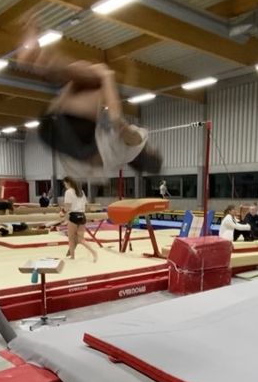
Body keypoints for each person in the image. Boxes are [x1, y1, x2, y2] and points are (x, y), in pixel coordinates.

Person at [16, 26, 162, 179]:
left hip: (78, 136)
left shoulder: (138, 143)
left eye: (153, 149)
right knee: (83, 77)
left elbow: (123, 129)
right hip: (58, 134)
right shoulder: (121, 158)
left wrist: (108, 77)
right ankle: (40, 62)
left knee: (98, 75)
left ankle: (41, 62)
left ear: (150, 152)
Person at [61, 176, 97, 262]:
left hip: (74, 216)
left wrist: (62, 212)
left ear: (68, 183)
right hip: (82, 216)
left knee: (71, 238)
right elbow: (85, 205)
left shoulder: (68, 192)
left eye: (65, 183)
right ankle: (93, 252)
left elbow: (68, 207)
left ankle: (72, 256)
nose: (65, 185)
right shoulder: (81, 192)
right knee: (81, 239)